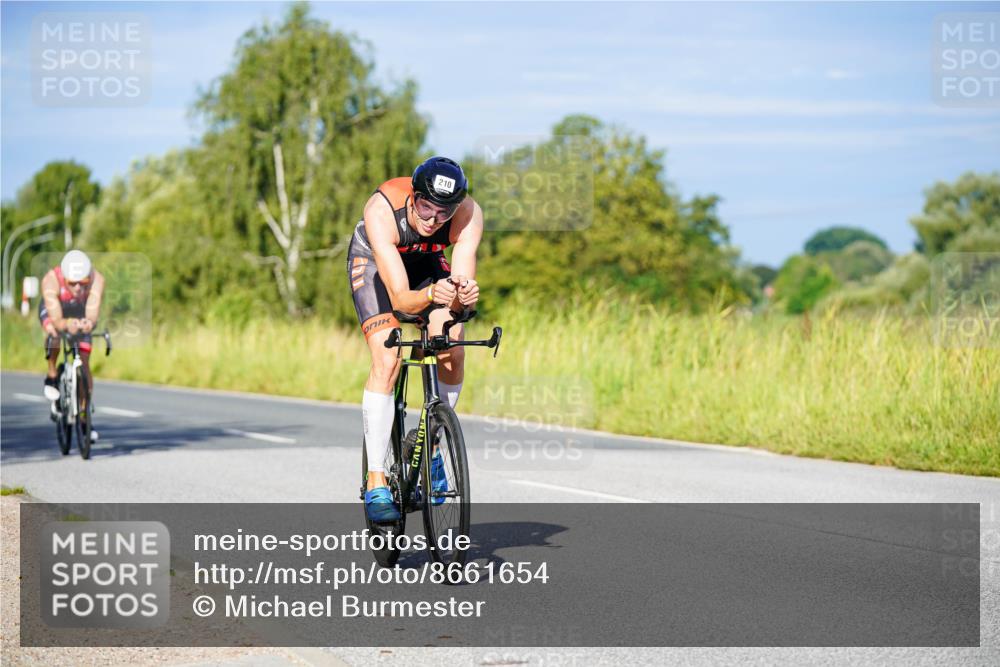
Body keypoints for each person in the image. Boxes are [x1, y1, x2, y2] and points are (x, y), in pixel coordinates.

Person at [347, 157, 483, 522]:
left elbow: (459, 294)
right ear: (413, 197)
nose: (433, 220)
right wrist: (432, 295)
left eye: (444, 213)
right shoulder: (382, 209)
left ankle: (432, 440)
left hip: (426, 262)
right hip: (376, 265)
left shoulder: (469, 214)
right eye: (426, 208)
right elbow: (401, 300)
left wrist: (464, 298)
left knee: (452, 341)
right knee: (387, 357)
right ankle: (376, 479)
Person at [39, 249, 105, 439]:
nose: (77, 288)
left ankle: (84, 416)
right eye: (72, 283)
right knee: (54, 334)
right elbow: (57, 319)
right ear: (64, 278)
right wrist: (65, 324)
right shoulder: (51, 280)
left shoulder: (97, 279)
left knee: (84, 360)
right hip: (56, 310)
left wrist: (88, 323)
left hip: (80, 310)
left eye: (82, 283)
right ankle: (52, 373)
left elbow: (92, 312)